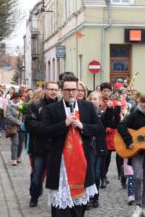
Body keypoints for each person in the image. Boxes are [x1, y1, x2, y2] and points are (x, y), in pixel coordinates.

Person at [41, 75, 104, 217]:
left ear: (78, 90)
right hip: (61, 163)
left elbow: (99, 129)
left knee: (79, 208)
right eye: (67, 89)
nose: (71, 93)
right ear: (61, 91)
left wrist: (83, 126)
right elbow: (44, 132)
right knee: (61, 211)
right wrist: (64, 124)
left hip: (82, 160)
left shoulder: (87, 106)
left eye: (74, 89)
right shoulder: (52, 109)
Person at [24, 82, 59, 207]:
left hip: (56, 149)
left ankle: (57, 200)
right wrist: (47, 128)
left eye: (55, 89)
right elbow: (29, 124)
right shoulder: (35, 105)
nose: (53, 92)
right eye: (51, 89)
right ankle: (34, 195)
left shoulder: (61, 105)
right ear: (45, 90)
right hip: (39, 148)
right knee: (36, 177)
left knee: (58, 177)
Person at [5, 92, 24, 166]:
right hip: (13, 126)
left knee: (20, 143)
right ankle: (14, 159)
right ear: (13, 98)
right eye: (16, 98)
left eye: (18, 98)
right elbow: (8, 116)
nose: (17, 100)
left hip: (22, 127)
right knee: (15, 143)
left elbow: (25, 114)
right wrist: (18, 122)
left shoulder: (22, 105)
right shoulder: (9, 106)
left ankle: (18, 156)